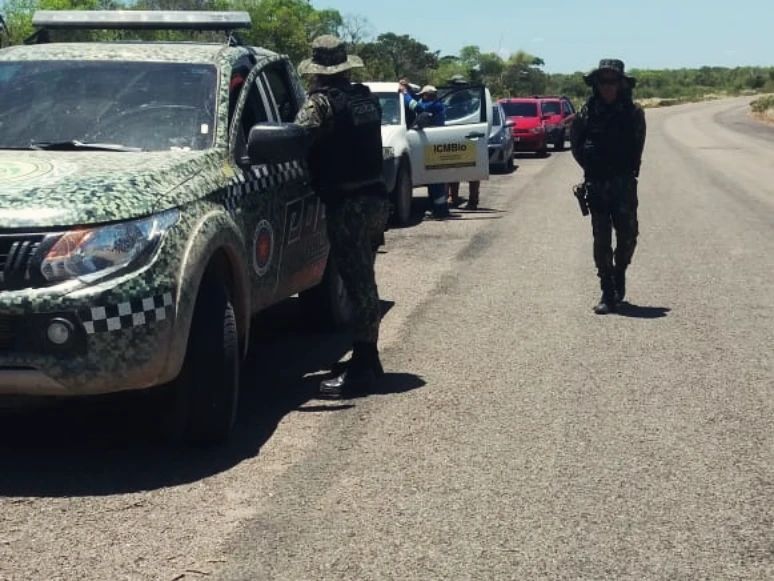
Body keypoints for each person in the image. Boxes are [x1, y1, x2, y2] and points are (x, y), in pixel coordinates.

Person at [296, 36, 390, 397]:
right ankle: (369, 359)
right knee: (363, 276)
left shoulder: (321, 104)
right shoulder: (364, 99)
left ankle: (363, 370)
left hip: (348, 203)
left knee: (358, 284)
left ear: (319, 73)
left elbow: (297, 135)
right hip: (375, 199)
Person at [570, 59, 647, 315]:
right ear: (596, 84)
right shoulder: (586, 112)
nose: (607, 87)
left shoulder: (633, 113)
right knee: (601, 239)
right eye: (603, 82)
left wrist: (624, 170)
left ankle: (619, 271)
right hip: (597, 184)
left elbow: (638, 146)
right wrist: (592, 168)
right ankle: (607, 290)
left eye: (612, 81)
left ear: (621, 83)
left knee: (628, 236)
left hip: (623, 183)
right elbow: (576, 146)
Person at [400, 84, 450, 219]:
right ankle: (438, 208)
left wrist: (405, 94)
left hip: (434, 141)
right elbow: (416, 99)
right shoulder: (433, 103)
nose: (421, 98)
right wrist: (408, 88)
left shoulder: (434, 105)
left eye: (423, 95)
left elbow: (418, 107)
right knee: (433, 178)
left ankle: (441, 210)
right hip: (431, 141)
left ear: (428, 95)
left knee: (436, 179)